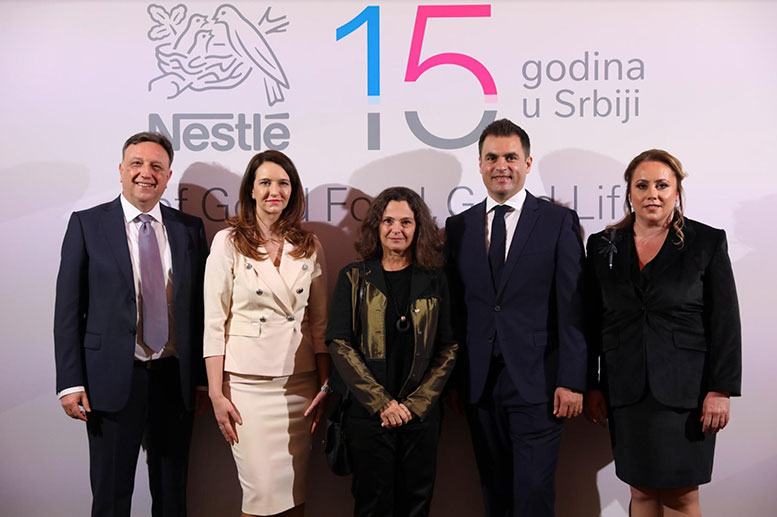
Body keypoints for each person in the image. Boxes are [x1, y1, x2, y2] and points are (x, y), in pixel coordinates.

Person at [54, 131, 208, 517]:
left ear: (168, 176)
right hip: (109, 380)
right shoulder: (88, 224)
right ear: (121, 170)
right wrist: (70, 382)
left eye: (156, 166)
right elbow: (68, 310)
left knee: (172, 496)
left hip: (174, 380)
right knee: (110, 496)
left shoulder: (189, 229)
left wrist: (202, 380)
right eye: (137, 163)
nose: (146, 172)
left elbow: (201, 310)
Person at [583, 149, 742, 516]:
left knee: (681, 495)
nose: (652, 194)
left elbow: (725, 322)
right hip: (626, 390)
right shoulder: (602, 245)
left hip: (687, 394)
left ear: (677, 191)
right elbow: (591, 320)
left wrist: (720, 389)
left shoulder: (706, 242)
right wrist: (591, 383)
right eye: (642, 186)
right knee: (640, 492)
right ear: (629, 192)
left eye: (661, 185)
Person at [444, 119, 587, 517]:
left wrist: (572, 380)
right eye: (492, 158)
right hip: (479, 386)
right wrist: (455, 382)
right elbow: (456, 310)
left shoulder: (557, 221)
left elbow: (573, 307)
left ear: (527, 162)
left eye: (510, 157)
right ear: (479, 164)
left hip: (539, 384)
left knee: (533, 496)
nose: (501, 166)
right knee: (494, 494)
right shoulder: (458, 227)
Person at [203, 150, 330, 517]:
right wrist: (215, 392)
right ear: (251, 190)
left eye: (283, 183)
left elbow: (319, 324)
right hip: (246, 387)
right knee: (260, 495)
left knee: (294, 492)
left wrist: (325, 386)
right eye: (266, 183)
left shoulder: (310, 245)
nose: (275, 191)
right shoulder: (228, 242)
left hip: (300, 384)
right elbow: (214, 323)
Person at [326, 187, 458, 517]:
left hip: (420, 416)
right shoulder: (353, 277)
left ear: (418, 228)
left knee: (417, 505)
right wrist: (382, 404)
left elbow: (449, 347)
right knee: (371, 506)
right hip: (368, 415)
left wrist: (414, 405)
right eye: (388, 221)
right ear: (377, 225)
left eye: (405, 222)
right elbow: (339, 343)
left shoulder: (436, 279)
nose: (396, 229)